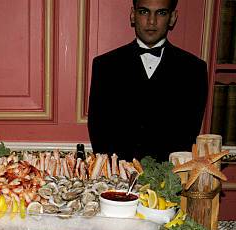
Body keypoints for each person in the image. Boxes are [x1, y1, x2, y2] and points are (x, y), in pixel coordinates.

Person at [87, 0, 208, 160]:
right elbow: (98, 128)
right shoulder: (105, 65)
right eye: (144, 12)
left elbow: (189, 131)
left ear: (172, 18)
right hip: (118, 178)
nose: (151, 21)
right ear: (133, 15)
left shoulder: (194, 69)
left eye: (161, 13)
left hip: (169, 178)